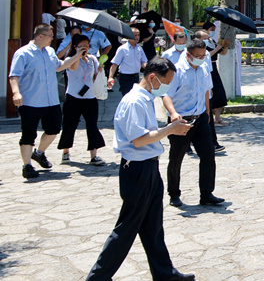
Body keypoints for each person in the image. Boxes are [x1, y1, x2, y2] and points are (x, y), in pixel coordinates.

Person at [86, 57, 195, 281]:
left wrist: (170, 128)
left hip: (149, 166)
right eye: (166, 82)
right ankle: (97, 277)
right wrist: (170, 129)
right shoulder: (134, 101)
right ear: (153, 77)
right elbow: (138, 140)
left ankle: (165, 274)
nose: (167, 88)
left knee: (153, 226)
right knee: (127, 228)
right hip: (137, 170)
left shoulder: (145, 98)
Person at [9, 24, 87, 179]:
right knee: (28, 134)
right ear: (40, 36)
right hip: (30, 101)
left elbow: (59, 67)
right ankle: (27, 166)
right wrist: (16, 92)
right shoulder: (23, 53)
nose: (52, 38)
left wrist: (78, 55)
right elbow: (14, 75)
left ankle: (39, 153)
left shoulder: (50, 52)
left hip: (51, 101)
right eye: (50, 36)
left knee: (54, 129)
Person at [161, 39, 223, 208]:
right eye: (198, 56)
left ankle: (206, 193)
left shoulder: (203, 69)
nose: (201, 58)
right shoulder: (177, 71)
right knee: (177, 157)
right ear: (188, 54)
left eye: (203, 55)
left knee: (208, 155)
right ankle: (174, 193)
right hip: (181, 120)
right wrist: (173, 114)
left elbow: (206, 91)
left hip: (201, 118)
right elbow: (166, 95)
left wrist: (207, 113)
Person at [58, 33, 107, 165]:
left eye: (87, 45)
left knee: (92, 126)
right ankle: (65, 152)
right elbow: (73, 67)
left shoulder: (92, 59)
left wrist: (100, 71)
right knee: (69, 125)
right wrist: (78, 55)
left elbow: (94, 77)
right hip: (73, 97)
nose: (85, 47)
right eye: (81, 45)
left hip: (90, 97)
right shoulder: (71, 59)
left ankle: (94, 155)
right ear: (75, 46)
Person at [108, 27, 149, 96]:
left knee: (135, 96)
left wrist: (145, 65)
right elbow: (115, 64)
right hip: (125, 77)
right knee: (127, 96)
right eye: (135, 35)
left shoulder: (139, 48)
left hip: (136, 76)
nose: (137, 37)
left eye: (138, 35)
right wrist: (110, 77)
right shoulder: (122, 49)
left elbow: (143, 61)